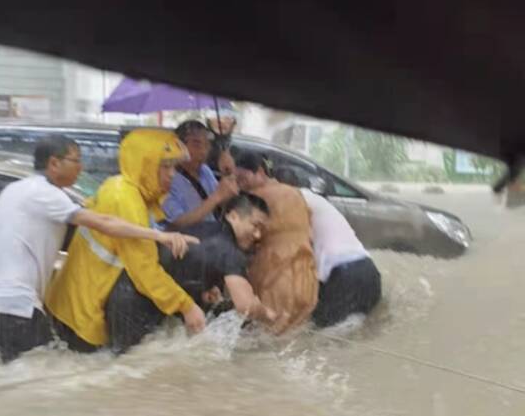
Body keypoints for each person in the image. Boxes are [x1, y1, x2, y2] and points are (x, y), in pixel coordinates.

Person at [0, 133, 194, 363]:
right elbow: (105, 223)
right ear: (54, 163)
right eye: (75, 160)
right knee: (39, 378)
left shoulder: (14, 189)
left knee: (19, 370)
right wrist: (159, 235)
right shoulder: (49, 195)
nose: (81, 167)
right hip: (17, 306)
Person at [46, 128, 207, 354]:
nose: (172, 174)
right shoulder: (125, 200)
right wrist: (186, 306)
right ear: (145, 165)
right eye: (165, 166)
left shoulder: (120, 186)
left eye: (174, 167)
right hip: (80, 318)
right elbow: (145, 272)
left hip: (68, 308)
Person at [103, 193, 287, 351]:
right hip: (134, 305)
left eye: (262, 230)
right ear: (233, 216)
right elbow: (245, 305)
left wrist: (199, 293)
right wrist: (269, 315)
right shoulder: (228, 248)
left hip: (126, 297)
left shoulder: (207, 230)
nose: (257, 235)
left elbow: (178, 268)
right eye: (255, 226)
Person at [274, 166, 382, 327]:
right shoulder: (315, 198)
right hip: (369, 273)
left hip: (346, 276)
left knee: (322, 340)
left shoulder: (294, 200)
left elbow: (302, 243)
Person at [234, 150, 318, 332]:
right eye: (236, 179)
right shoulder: (296, 193)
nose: (240, 184)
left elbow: (242, 239)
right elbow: (310, 234)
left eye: (242, 177)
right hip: (306, 275)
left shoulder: (254, 199)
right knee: (295, 337)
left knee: (268, 338)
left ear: (260, 172)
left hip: (275, 277)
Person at [162, 119, 238, 238]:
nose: (203, 151)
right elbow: (177, 223)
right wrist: (216, 197)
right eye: (196, 144)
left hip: (214, 239)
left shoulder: (205, 171)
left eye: (207, 145)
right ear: (178, 144)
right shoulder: (167, 178)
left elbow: (222, 203)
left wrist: (228, 175)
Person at [206, 112, 238, 178]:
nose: (221, 121)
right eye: (215, 116)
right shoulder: (201, 142)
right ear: (209, 120)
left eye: (227, 118)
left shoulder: (235, 150)